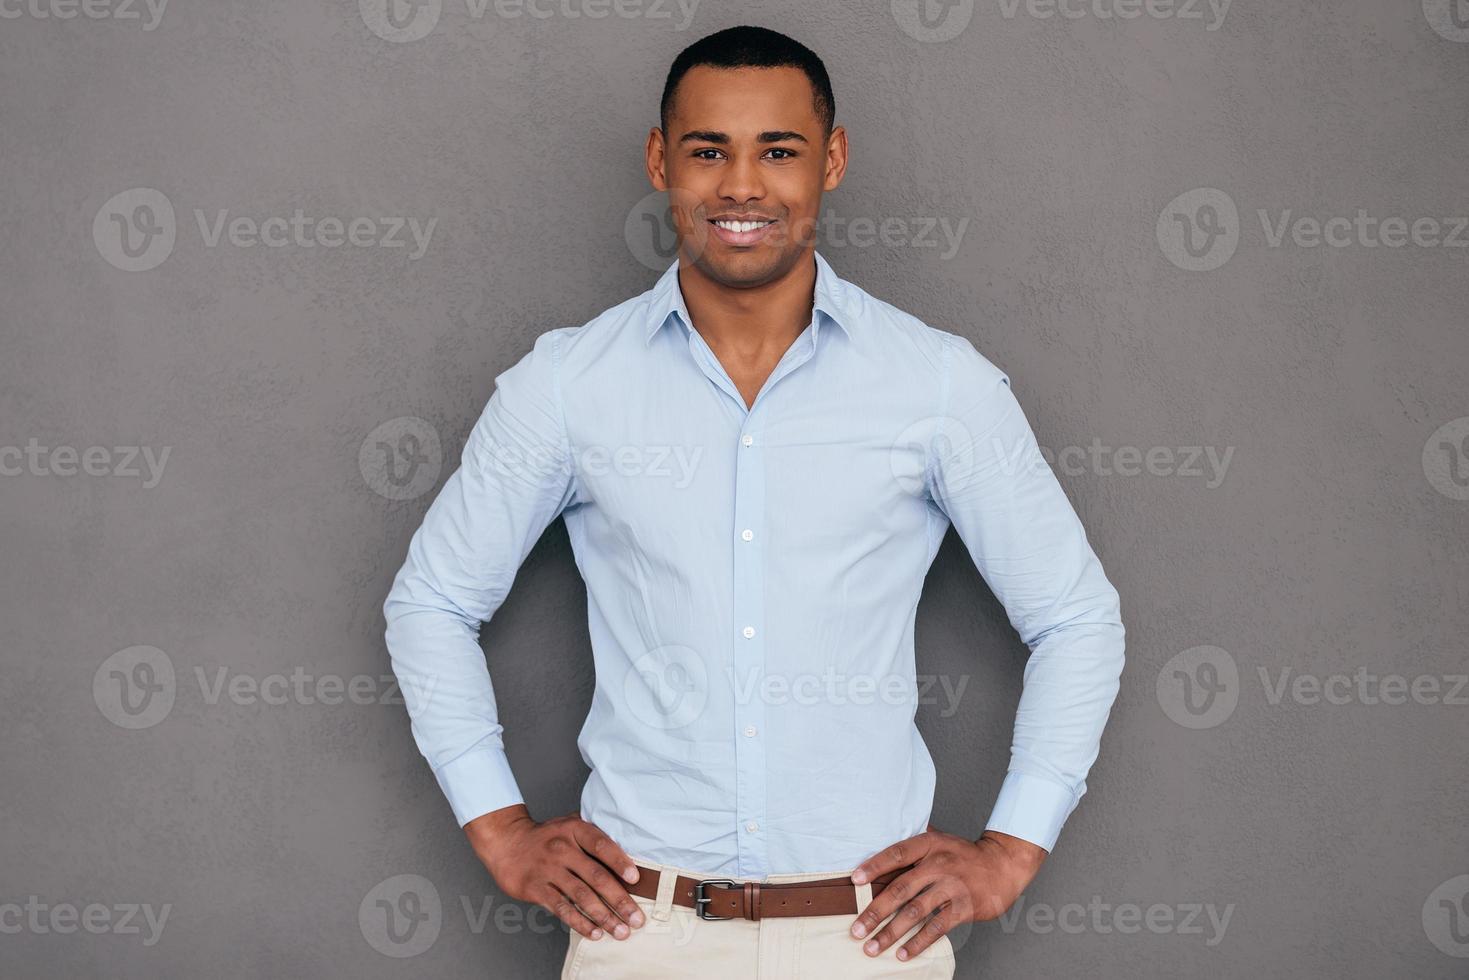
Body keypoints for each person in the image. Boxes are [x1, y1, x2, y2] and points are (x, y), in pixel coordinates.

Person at [382, 24, 1126, 979]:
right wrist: (500, 829)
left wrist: (1011, 850)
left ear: (833, 159)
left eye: (778, 151)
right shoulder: (568, 385)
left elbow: (1075, 618)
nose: (741, 186)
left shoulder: (938, 385)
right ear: (660, 160)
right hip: (638, 939)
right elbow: (431, 603)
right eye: (707, 151)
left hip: (868, 943)